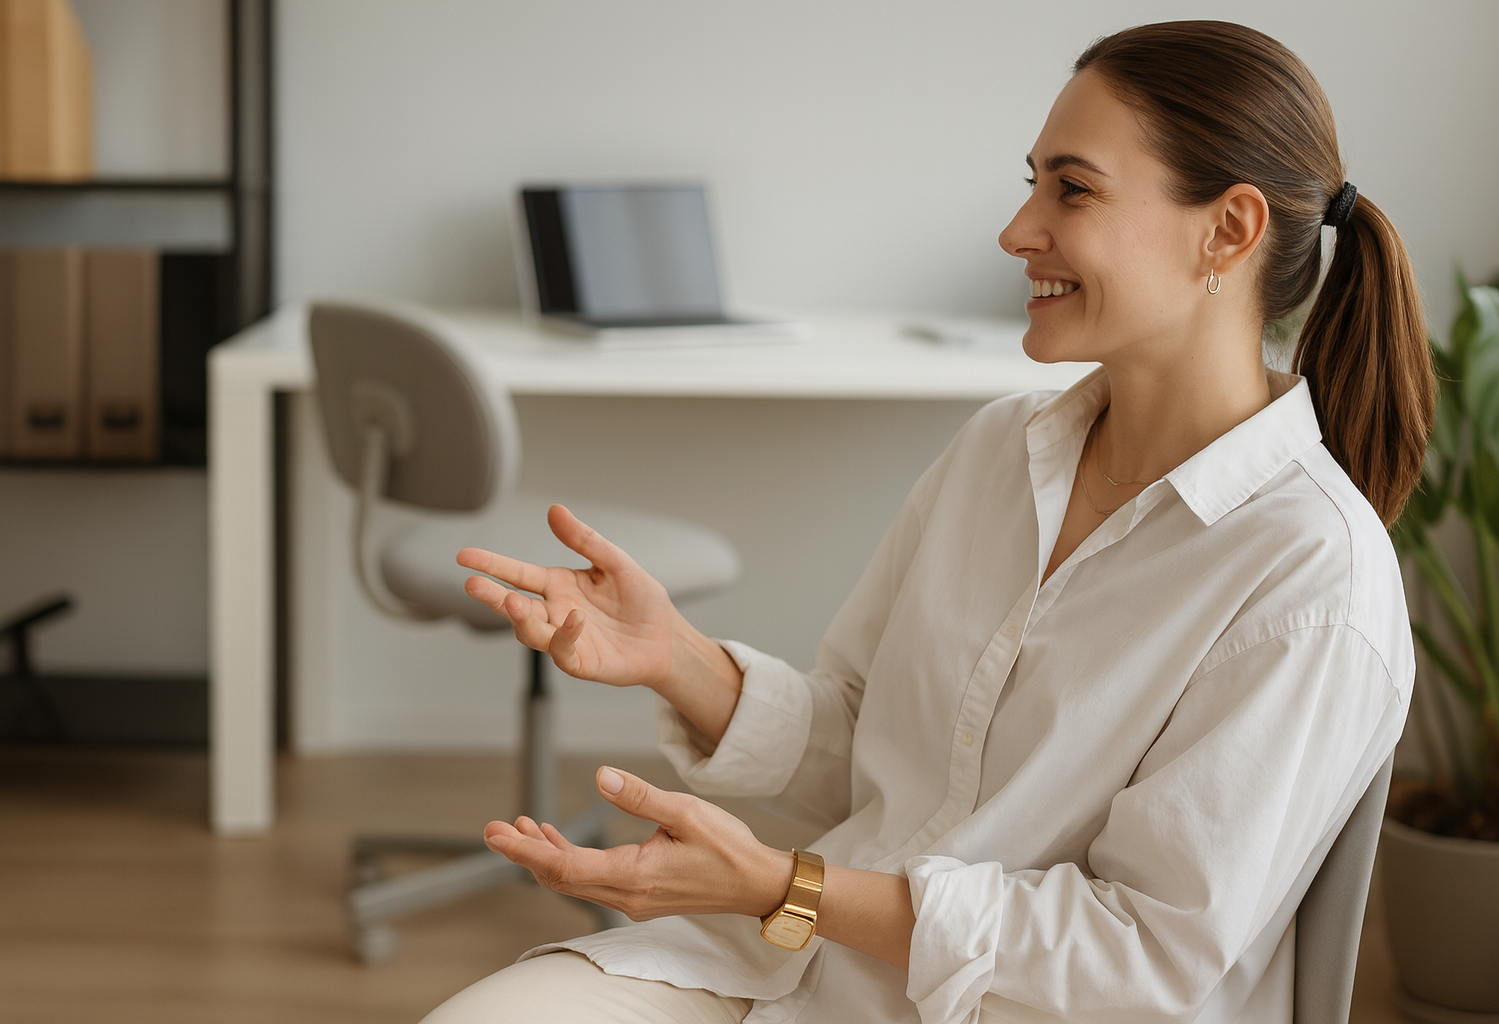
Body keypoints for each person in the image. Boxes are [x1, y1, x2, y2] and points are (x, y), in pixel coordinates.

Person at [423, 20, 1434, 1024]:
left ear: (1229, 228)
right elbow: (872, 750)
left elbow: (1144, 951)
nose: (1018, 228)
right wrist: (678, 658)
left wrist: (786, 887)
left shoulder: (1312, 577)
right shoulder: (1002, 450)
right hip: (798, 965)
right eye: (1032, 179)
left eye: (1071, 188)